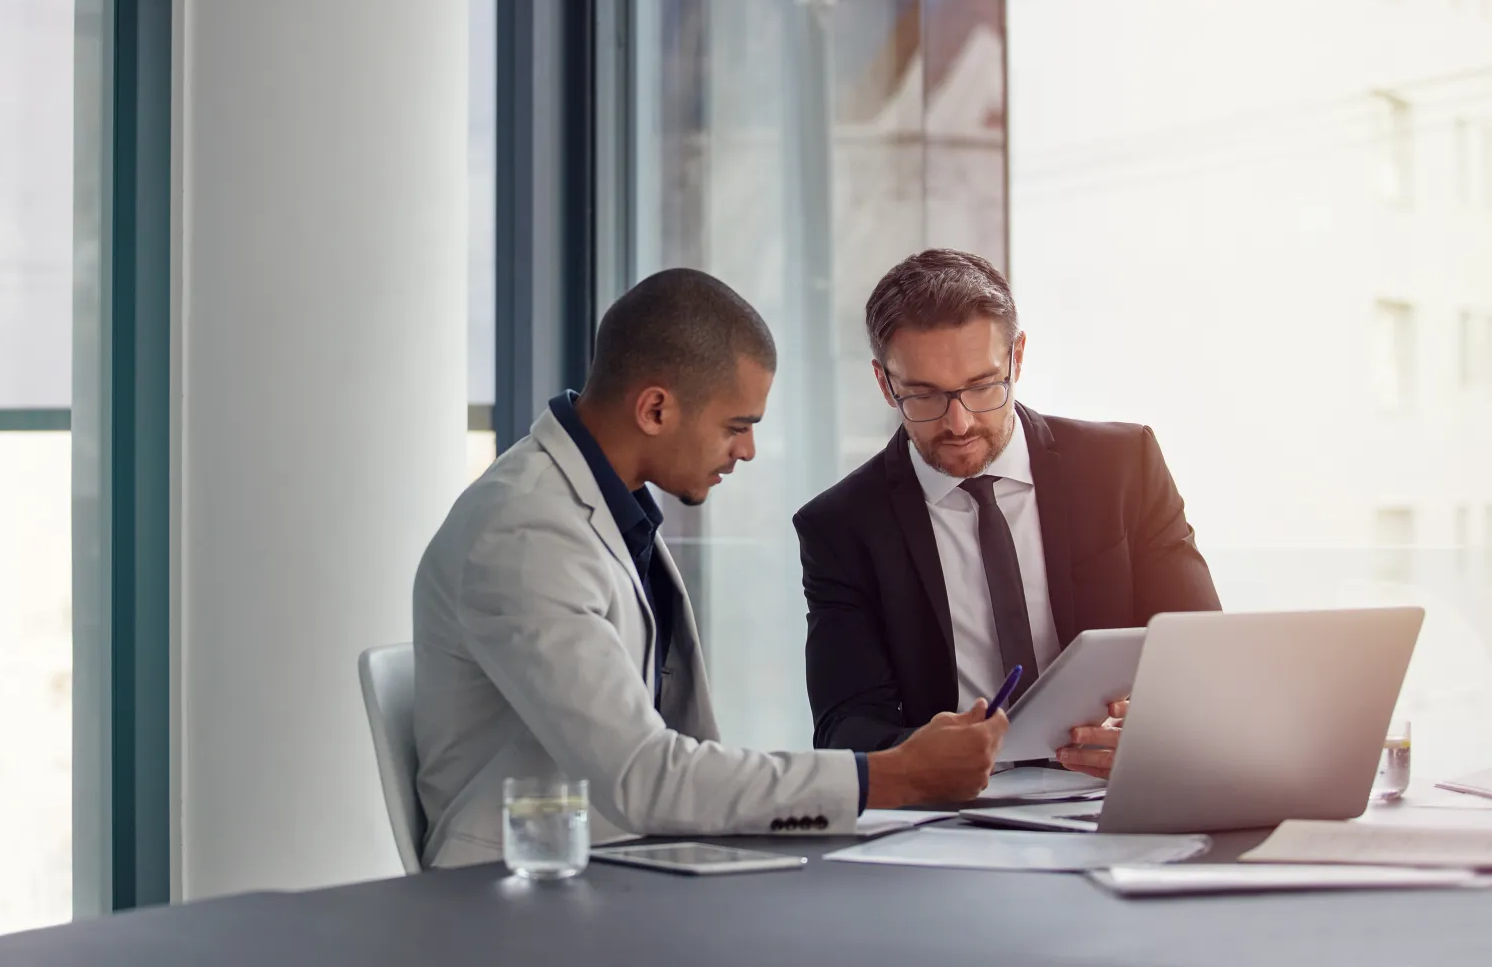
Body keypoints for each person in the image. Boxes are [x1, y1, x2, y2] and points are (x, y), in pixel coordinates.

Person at [413, 267, 1008, 867]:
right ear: (654, 409)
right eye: (736, 426)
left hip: (622, 867)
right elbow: (642, 776)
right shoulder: (526, 531)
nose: (747, 450)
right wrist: (892, 776)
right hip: (522, 894)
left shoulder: (606, 511)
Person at [796, 249, 1220, 778]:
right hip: (955, 812)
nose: (959, 422)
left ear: (1017, 358)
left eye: (981, 386)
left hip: (1119, 790)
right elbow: (844, 726)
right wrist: (924, 755)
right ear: (885, 384)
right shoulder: (840, 526)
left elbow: (1207, 657)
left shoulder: (1123, 465)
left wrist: (1156, 730)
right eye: (923, 396)